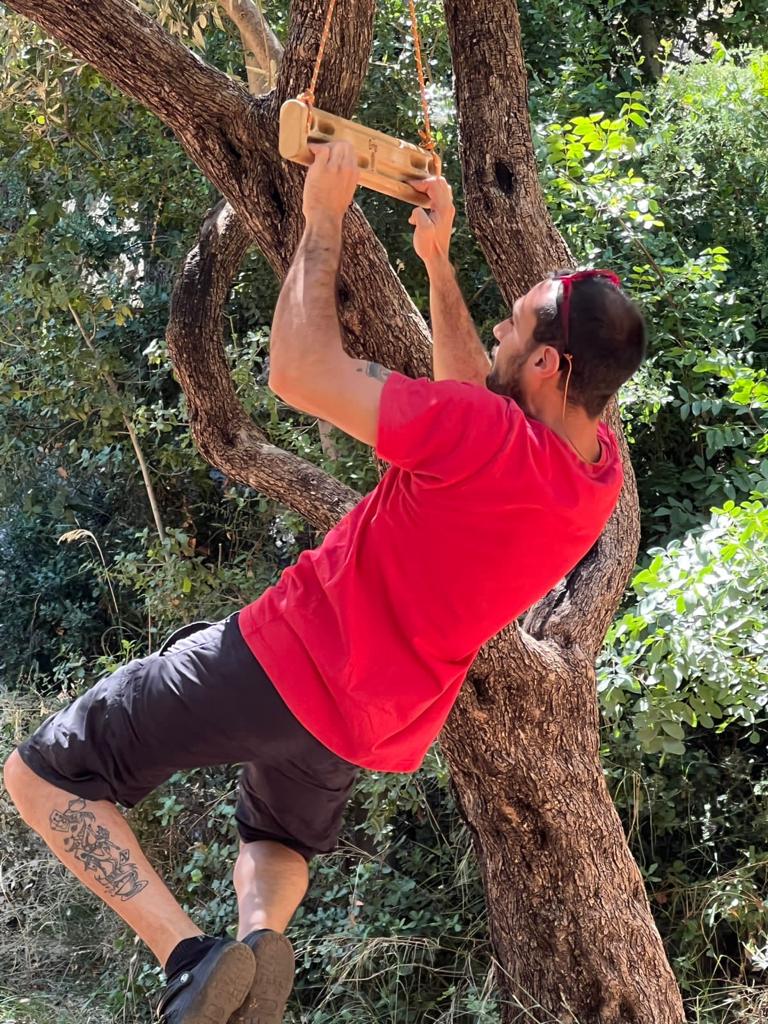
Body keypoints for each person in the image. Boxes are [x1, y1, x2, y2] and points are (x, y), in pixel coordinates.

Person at [4, 141, 646, 1024]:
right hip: (371, 716)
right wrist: (437, 263)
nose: (500, 329)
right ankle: (258, 943)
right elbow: (482, 399)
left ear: (547, 366)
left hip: (286, 659)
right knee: (276, 835)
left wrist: (322, 219)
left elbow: (299, 372)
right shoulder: (594, 474)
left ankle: (189, 961)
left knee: (43, 776)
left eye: (514, 324)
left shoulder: (485, 436)